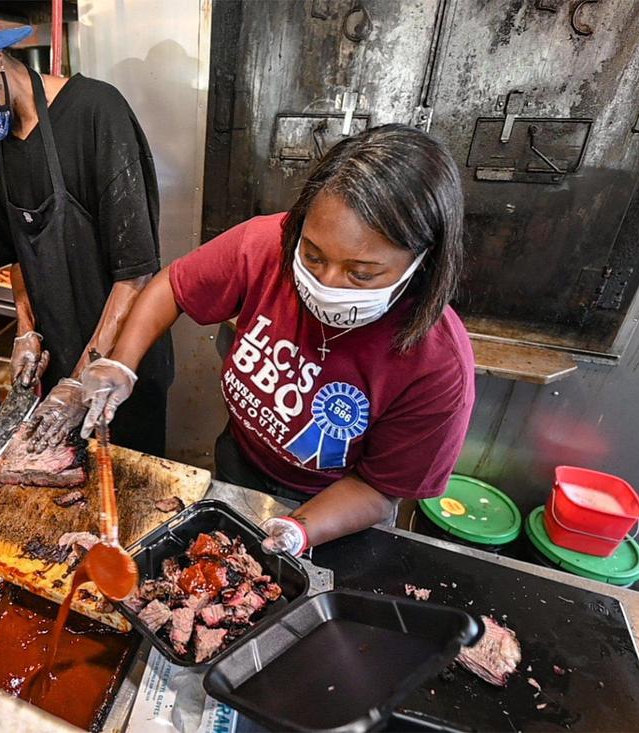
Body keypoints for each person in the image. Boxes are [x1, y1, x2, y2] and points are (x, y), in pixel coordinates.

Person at [78, 124, 475, 555]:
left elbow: (378, 490)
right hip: (239, 464)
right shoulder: (267, 244)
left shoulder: (438, 366)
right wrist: (121, 362)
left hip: (337, 509)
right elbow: (172, 287)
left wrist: (300, 529)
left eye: (361, 274)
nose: (326, 282)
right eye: (313, 256)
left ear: (423, 260)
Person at [0, 0, 174, 457]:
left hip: (122, 364)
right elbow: (15, 256)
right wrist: (27, 331)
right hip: (60, 357)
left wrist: (81, 381)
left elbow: (135, 274)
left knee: (133, 483)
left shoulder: (96, 112)